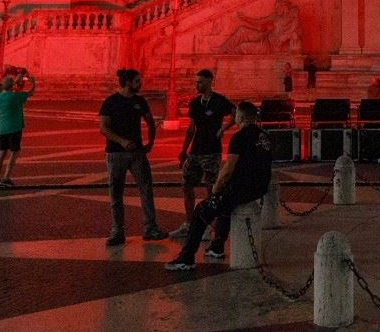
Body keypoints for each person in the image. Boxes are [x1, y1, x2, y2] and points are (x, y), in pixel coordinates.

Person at [166, 101, 273, 270]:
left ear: (242, 117)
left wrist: (216, 187)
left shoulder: (239, 137)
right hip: (259, 187)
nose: (235, 118)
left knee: (201, 210)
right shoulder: (264, 136)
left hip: (241, 189)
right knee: (224, 207)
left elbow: (228, 169)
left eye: (237, 114)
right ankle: (217, 246)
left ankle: (186, 257)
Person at [98, 69, 166, 245]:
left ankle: (150, 228)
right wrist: (122, 141)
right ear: (128, 82)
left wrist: (150, 143)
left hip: (137, 153)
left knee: (146, 190)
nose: (140, 84)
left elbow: (150, 122)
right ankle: (117, 231)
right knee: (116, 193)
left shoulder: (140, 101)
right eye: (137, 81)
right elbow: (103, 128)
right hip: (115, 153)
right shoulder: (111, 102)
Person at [172, 69, 233, 237]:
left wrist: (224, 128)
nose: (196, 85)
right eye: (196, 81)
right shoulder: (195, 102)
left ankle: (209, 225)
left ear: (209, 82)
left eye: (200, 82)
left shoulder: (219, 101)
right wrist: (184, 150)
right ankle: (189, 223)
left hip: (211, 151)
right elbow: (190, 129)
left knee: (211, 189)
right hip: (195, 150)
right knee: (186, 185)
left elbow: (235, 113)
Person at [0, 70, 35, 187]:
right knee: (14, 153)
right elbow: (30, 93)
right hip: (15, 128)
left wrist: (15, 82)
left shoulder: (0, 97)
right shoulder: (16, 96)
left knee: (1, 153)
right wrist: (32, 83)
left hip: (3, 128)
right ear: (12, 86)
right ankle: (6, 177)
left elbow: (9, 89)